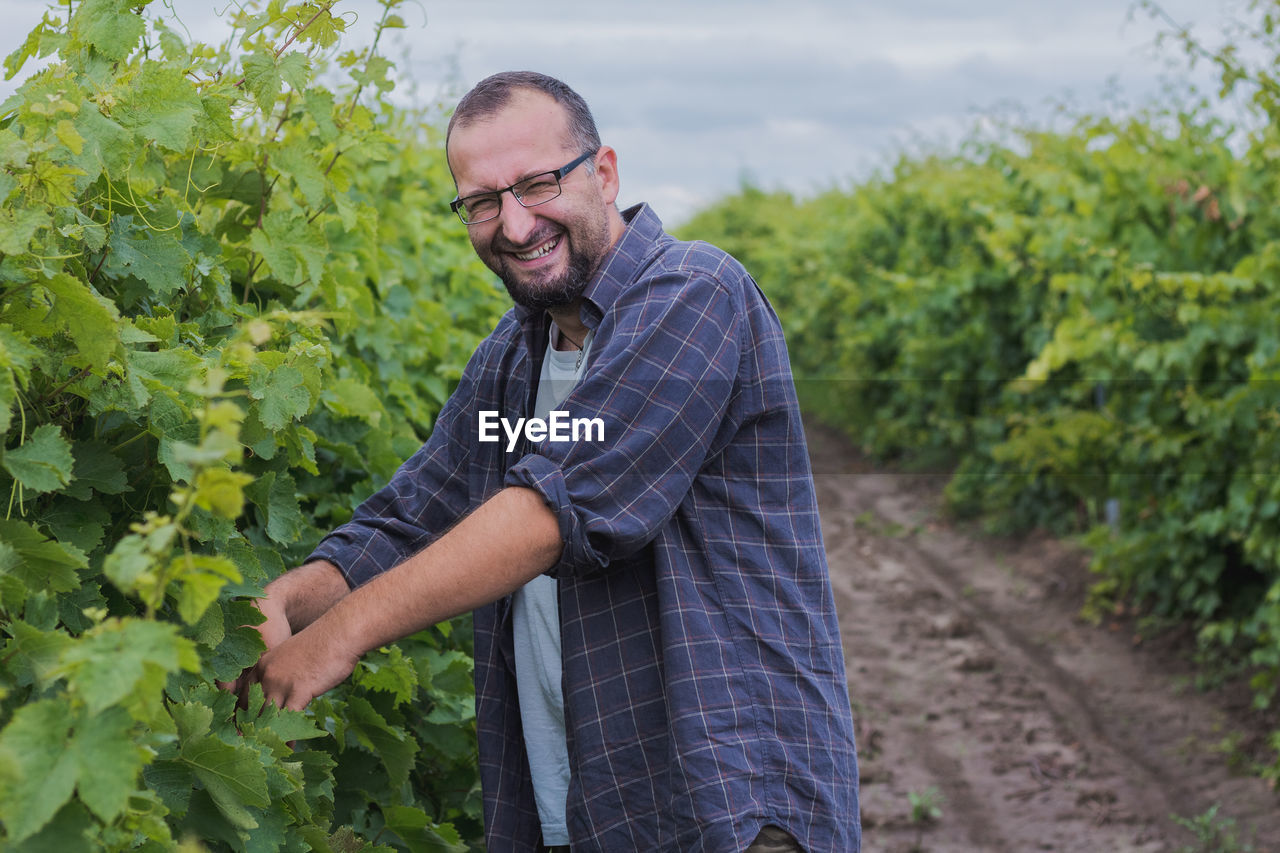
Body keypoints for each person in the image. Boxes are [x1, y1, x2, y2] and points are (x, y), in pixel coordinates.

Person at [232, 71, 860, 853]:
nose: (515, 222)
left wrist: (335, 639)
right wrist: (287, 599)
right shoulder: (510, 360)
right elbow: (411, 519)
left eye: (536, 184)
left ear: (603, 174)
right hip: (581, 806)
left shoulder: (695, 298)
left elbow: (549, 511)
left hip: (724, 803)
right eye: (483, 201)